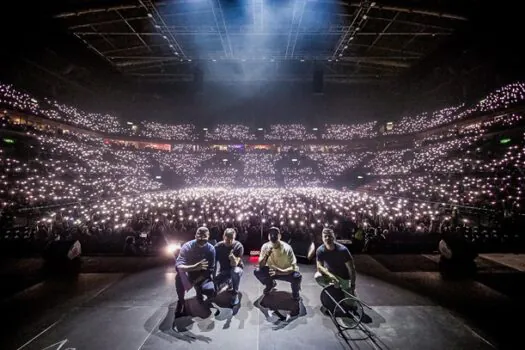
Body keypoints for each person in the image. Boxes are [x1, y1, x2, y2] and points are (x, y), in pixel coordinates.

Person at [174, 227, 216, 317]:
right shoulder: (187, 246)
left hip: (202, 277)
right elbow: (179, 267)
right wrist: (194, 267)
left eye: (204, 236)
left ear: (208, 237)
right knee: (179, 277)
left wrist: (196, 281)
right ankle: (181, 301)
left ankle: (199, 291)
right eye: (199, 235)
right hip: (189, 274)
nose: (201, 238)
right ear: (195, 235)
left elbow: (210, 270)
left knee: (210, 290)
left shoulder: (211, 249)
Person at [254, 227, 302, 301]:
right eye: (271, 234)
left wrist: (280, 271)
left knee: (297, 276)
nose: (273, 236)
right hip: (272, 272)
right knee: (258, 271)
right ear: (268, 236)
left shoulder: (287, 248)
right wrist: (266, 255)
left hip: (285, 272)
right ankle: (270, 284)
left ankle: (295, 293)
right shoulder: (265, 246)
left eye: (275, 234)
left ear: (280, 236)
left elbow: (293, 267)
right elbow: (261, 265)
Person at [315, 227, 357, 304]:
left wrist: (352, 284)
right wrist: (331, 276)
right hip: (331, 276)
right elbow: (319, 267)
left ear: (334, 237)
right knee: (318, 276)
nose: (328, 238)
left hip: (344, 278)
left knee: (351, 304)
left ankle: (346, 292)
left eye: (330, 236)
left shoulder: (343, 250)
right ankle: (332, 287)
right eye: (325, 236)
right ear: (322, 238)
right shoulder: (320, 250)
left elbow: (351, 269)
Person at [214, 228, 244, 306]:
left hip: (236, 268)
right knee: (213, 288)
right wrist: (213, 277)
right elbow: (214, 263)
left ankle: (235, 293)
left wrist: (232, 257)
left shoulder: (238, 246)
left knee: (235, 272)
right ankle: (229, 282)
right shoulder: (218, 246)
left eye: (232, 239)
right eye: (227, 239)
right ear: (224, 237)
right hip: (224, 271)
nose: (229, 241)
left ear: (234, 238)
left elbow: (235, 264)